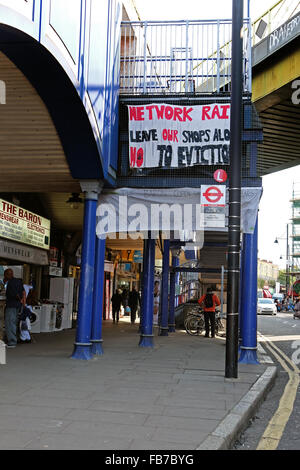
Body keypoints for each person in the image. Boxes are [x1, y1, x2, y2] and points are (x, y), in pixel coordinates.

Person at [4, 268, 26, 348]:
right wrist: (23, 303)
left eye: (5, 274)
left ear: (7, 274)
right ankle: (14, 339)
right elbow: (23, 292)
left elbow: (12, 294)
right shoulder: (19, 281)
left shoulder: (10, 283)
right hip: (18, 305)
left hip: (11, 305)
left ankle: (12, 342)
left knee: (9, 323)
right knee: (14, 323)